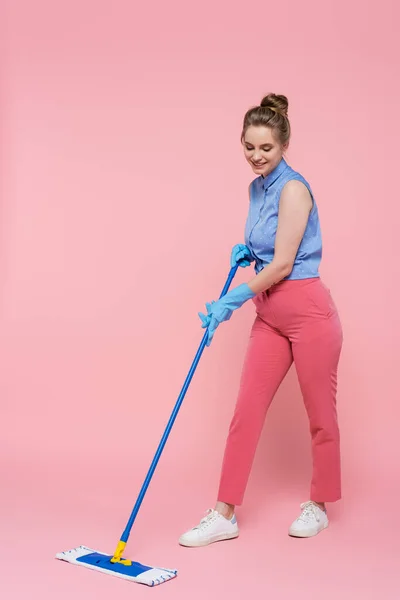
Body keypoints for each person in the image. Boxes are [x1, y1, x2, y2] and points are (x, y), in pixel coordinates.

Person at [179, 93, 343, 547]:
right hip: (270, 315)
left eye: (266, 149)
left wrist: (229, 300)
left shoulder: (294, 188)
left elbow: (285, 264)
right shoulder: (257, 188)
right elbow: (267, 249)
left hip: (308, 311)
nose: (256, 156)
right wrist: (248, 251)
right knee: (245, 412)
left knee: (320, 416)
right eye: (249, 147)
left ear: (284, 146)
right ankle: (224, 514)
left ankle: (320, 504)